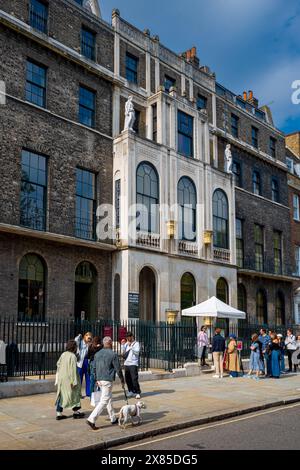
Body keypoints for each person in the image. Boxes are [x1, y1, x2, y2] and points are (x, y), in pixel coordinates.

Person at [86, 337, 125, 430]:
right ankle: (91, 419)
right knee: (104, 400)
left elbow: (94, 367)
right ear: (110, 343)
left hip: (99, 379)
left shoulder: (97, 354)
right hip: (107, 380)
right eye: (111, 343)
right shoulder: (113, 354)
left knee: (109, 398)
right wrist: (122, 380)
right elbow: (118, 368)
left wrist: (95, 378)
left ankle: (113, 418)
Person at [55, 340, 84, 421]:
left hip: (62, 378)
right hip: (70, 378)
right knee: (75, 394)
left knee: (62, 394)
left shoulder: (63, 354)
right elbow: (73, 369)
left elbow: (58, 364)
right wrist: (74, 381)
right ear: (74, 347)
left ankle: (59, 413)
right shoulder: (73, 356)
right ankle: (76, 412)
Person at [121, 332, 142, 399]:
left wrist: (131, 347)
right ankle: (131, 390)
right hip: (126, 363)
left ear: (132, 336)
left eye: (129, 337)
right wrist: (123, 345)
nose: (128, 338)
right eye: (127, 337)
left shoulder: (136, 344)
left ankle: (137, 392)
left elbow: (137, 353)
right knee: (127, 379)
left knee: (134, 379)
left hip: (133, 363)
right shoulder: (126, 344)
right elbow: (123, 352)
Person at [75, 331, 93, 397]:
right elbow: (75, 341)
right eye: (87, 336)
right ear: (84, 336)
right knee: (79, 379)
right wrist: (79, 336)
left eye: (90, 336)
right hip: (80, 363)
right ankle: (78, 394)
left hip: (87, 363)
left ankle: (89, 393)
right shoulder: (80, 343)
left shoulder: (90, 344)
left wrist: (90, 343)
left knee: (88, 378)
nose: (89, 338)